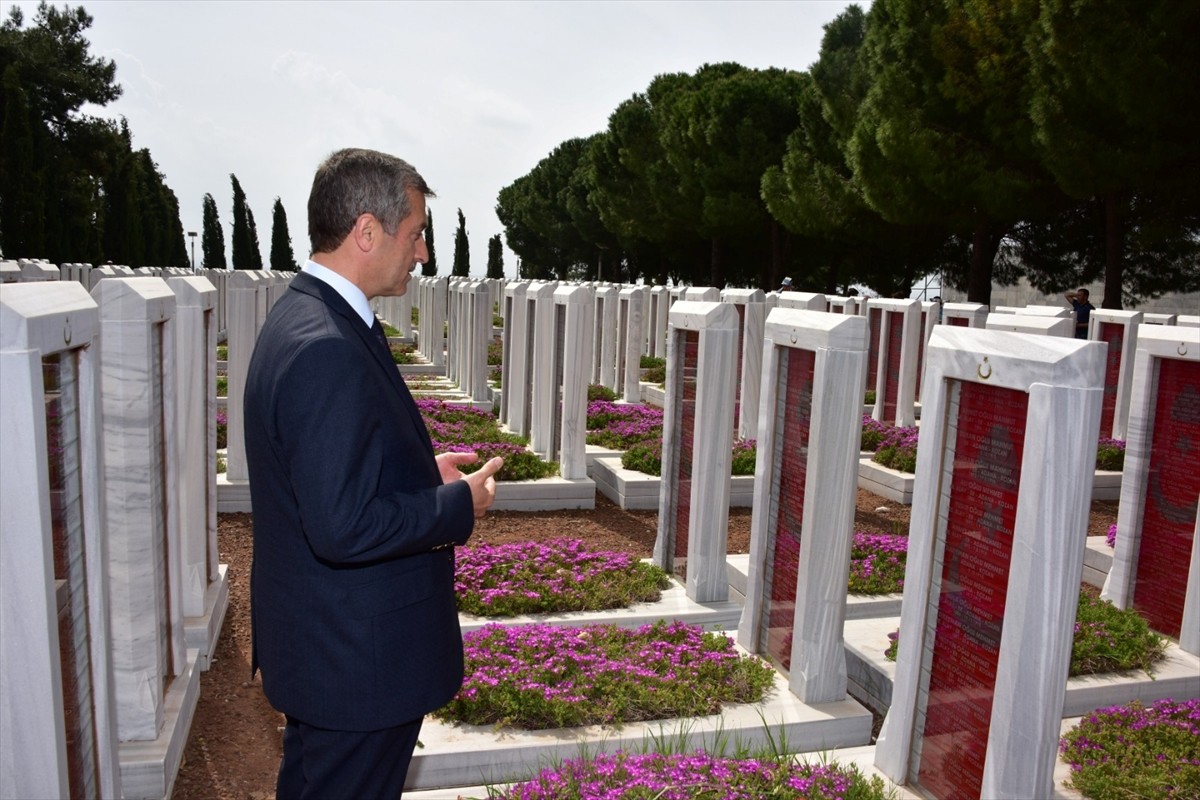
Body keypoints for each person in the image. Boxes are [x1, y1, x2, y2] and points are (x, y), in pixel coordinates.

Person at [244, 148, 504, 799]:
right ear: (368, 231)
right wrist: (456, 506)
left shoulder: (306, 315)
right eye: (415, 233)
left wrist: (423, 473)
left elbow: (332, 474)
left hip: (332, 652)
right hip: (356, 664)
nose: (421, 254)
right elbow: (343, 527)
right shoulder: (328, 346)